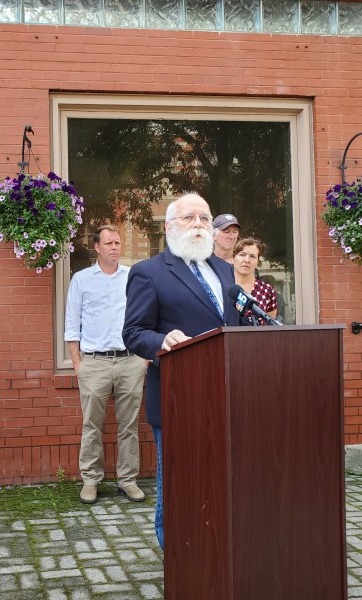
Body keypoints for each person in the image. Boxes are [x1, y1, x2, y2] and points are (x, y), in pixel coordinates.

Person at [122, 193, 241, 551]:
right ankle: (175, 556)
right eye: (191, 218)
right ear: (170, 226)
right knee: (177, 482)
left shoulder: (224, 269)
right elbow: (133, 332)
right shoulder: (149, 272)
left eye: (205, 218)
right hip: (179, 396)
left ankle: (213, 547)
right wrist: (163, 340)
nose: (200, 225)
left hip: (225, 394)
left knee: (219, 479)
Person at [64, 225, 148, 505]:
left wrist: (144, 357)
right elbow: (71, 325)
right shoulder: (82, 279)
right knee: (92, 425)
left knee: (129, 426)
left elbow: (147, 316)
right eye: (108, 243)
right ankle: (90, 480)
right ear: (97, 247)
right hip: (95, 363)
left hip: (130, 361)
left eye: (118, 243)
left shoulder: (133, 277)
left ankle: (128, 480)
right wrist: (78, 365)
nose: (114, 247)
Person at [233, 237, 278, 324]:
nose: (246, 260)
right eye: (242, 254)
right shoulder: (222, 286)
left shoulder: (267, 290)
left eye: (252, 256)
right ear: (233, 258)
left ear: (257, 262)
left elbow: (269, 325)